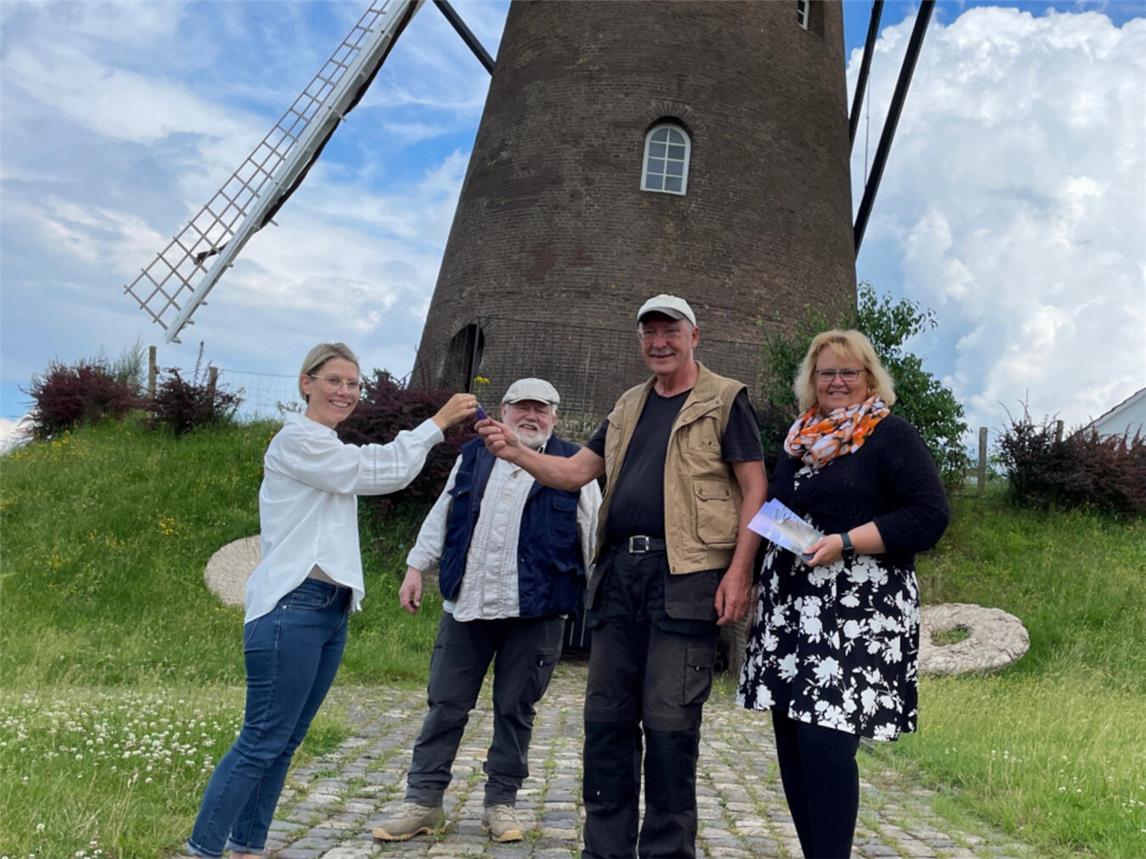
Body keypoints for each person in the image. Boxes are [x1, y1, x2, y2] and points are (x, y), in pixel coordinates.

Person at [480, 295, 766, 859]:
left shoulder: (726, 399)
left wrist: (740, 571)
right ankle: (604, 850)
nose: (659, 342)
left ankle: (665, 851)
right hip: (619, 574)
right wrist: (516, 451)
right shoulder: (628, 404)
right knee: (606, 720)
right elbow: (573, 473)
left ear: (694, 336)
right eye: (649, 333)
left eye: (670, 331)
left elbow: (756, 489)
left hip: (687, 576)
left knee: (669, 724)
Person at [186, 342, 476, 859]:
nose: (346, 392)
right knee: (261, 740)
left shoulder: (327, 447)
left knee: (284, 740)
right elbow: (381, 471)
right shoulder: (298, 440)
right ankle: (202, 850)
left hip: (329, 606)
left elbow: (376, 469)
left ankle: (247, 847)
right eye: (334, 381)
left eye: (354, 384)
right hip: (293, 606)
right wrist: (438, 422)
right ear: (306, 383)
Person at [738, 329, 950, 859]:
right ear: (811, 381)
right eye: (825, 372)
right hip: (793, 609)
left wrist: (847, 542)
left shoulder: (890, 436)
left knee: (826, 745)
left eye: (847, 372)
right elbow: (780, 515)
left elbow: (929, 515)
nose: (836, 381)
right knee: (792, 744)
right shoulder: (798, 440)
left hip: (859, 610)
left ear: (869, 379)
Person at [372, 378, 602, 844]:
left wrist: (604, 598)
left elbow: (594, 533)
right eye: (521, 409)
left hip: (537, 608)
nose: (530, 417)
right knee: (445, 703)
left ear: (555, 416)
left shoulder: (572, 465)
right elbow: (443, 513)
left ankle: (501, 802)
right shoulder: (474, 455)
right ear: (503, 410)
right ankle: (424, 800)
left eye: (541, 409)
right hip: (468, 602)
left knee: (516, 709)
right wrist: (417, 566)